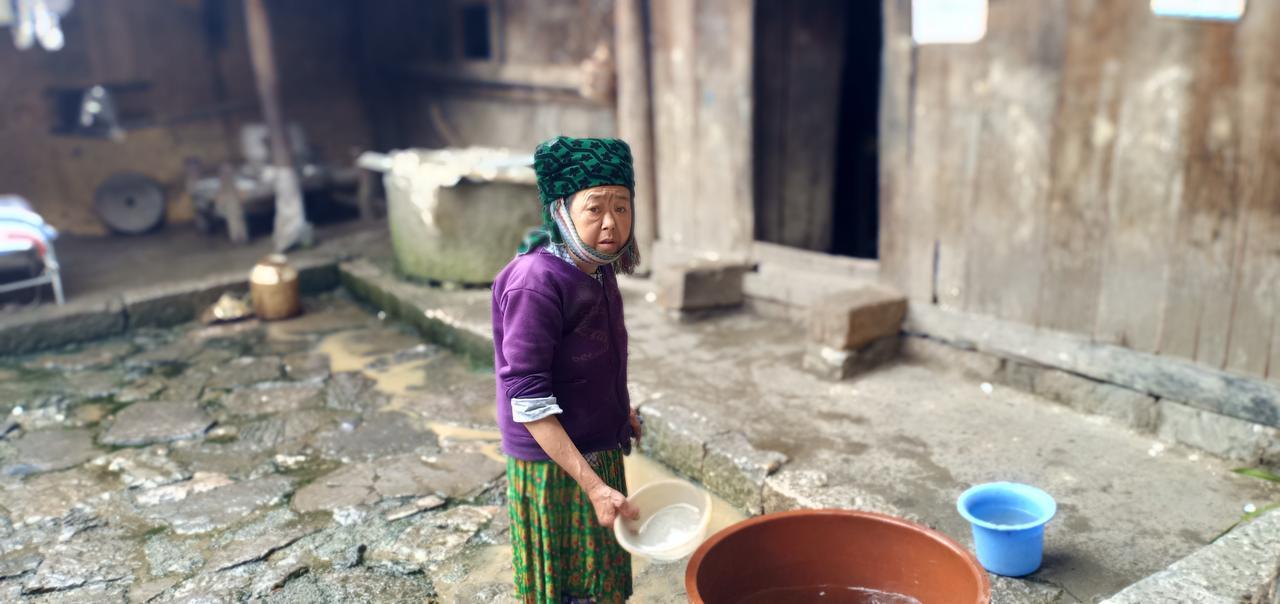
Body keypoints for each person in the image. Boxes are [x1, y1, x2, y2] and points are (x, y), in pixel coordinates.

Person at [493, 136, 645, 604]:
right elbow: (529, 398)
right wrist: (595, 486)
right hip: (553, 459)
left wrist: (622, 410)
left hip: (597, 442)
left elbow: (595, 357)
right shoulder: (536, 283)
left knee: (603, 577)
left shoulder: (598, 269)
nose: (610, 223)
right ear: (561, 210)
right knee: (566, 586)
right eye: (595, 208)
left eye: (622, 207)